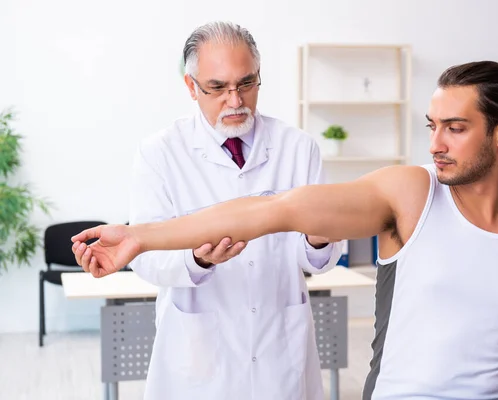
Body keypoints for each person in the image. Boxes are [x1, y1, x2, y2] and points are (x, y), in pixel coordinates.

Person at [72, 60, 498, 399]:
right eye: (431, 126)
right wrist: (141, 237)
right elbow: (269, 210)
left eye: (455, 129)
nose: (436, 143)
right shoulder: (409, 194)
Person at [88, 21, 343, 400]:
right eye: (218, 88)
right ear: (191, 87)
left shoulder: (297, 148)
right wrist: (196, 259)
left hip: (279, 347)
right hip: (198, 354)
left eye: (246, 84)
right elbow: (146, 258)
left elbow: (320, 261)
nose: (236, 100)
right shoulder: (160, 152)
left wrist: (319, 239)